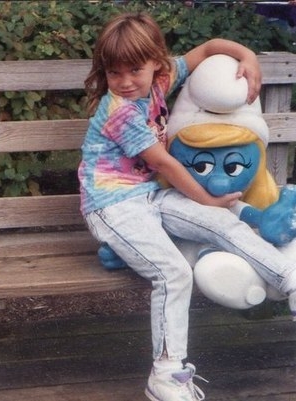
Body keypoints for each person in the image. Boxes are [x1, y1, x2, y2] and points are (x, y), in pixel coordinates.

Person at [78, 12, 296, 401]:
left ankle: (289, 281)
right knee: (174, 272)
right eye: (114, 73)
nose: (126, 82)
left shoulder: (163, 79)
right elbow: (163, 162)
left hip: (149, 197)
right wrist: (207, 198)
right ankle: (165, 374)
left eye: (134, 70)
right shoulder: (120, 112)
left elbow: (211, 48)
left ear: (157, 64)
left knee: (222, 223)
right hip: (112, 205)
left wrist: (247, 56)